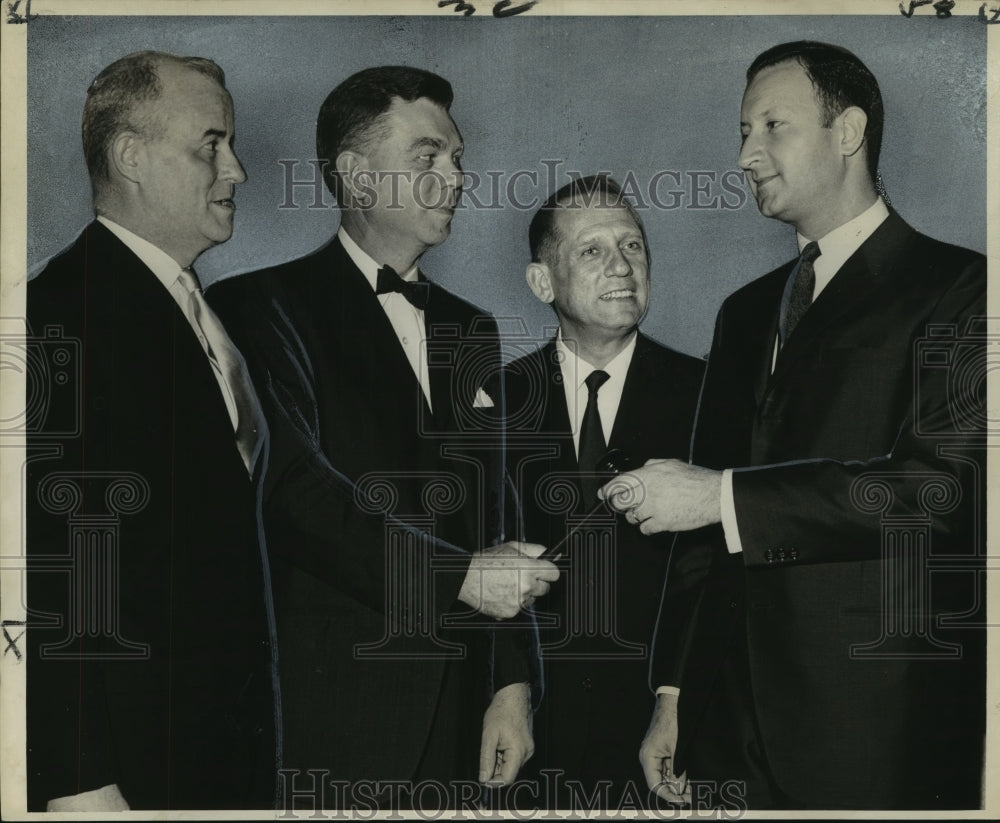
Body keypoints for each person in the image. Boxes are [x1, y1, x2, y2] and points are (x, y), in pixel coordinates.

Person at [604, 41, 986, 810]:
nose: (746, 154)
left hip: (876, 729)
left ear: (848, 131)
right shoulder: (744, 312)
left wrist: (723, 498)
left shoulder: (962, 287)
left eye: (772, 126)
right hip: (724, 726)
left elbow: (941, 491)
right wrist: (673, 692)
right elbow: (700, 530)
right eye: (742, 132)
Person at [209, 65, 558, 806]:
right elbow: (294, 492)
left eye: (458, 159)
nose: (455, 178)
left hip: (463, 712)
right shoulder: (258, 305)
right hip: (328, 717)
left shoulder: (471, 327)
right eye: (427, 156)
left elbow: (495, 511)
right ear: (356, 177)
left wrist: (512, 685)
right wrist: (460, 577)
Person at [26, 51, 278, 811]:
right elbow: (45, 573)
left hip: (228, 759)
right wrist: (77, 782)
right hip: (128, 779)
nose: (235, 170)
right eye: (212, 143)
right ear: (130, 156)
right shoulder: (57, 318)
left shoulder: (205, 312)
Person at [503, 175, 704, 808]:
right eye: (592, 250)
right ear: (542, 282)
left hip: (660, 725)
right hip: (527, 728)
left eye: (634, 246)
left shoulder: (711, 395)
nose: (622, 266)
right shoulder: (492, 402)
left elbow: (715, 575)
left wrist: (676, 701)